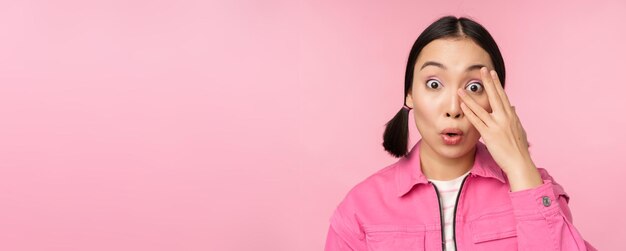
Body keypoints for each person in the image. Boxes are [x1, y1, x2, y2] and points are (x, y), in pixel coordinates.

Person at [324, 16, 597, 251]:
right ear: (409, 93)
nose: (454, 108)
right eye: (434, 84)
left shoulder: (535, 187)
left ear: (496, 99)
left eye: (475, 87)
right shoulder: (360, 209)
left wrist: (519, 164)